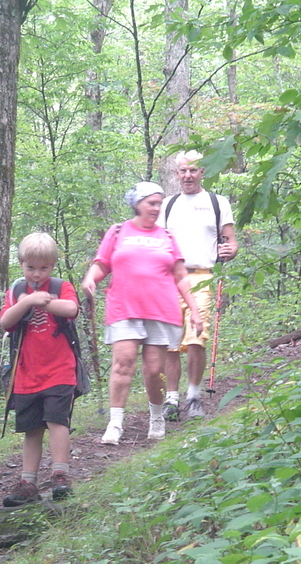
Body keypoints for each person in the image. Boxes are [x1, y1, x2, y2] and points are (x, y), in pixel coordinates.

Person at [81, 182, 202, 445]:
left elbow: (180, 276)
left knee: (154, 369)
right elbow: (102, 264)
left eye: (159, 203)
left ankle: (156, 417)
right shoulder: (117, 232)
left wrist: (194, 310)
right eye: (152, 203)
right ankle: (115, 423)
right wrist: (91, 279)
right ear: (137, 204)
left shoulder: (167, 237)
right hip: (124, 307)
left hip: (161, 309)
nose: (157, 208)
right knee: (123, 364)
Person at [0, 232, 79, 506]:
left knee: (58, 421)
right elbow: (6, 322)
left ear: (52, 266)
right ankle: (27, 482)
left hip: (60, 370)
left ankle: (60, 475)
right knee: (32, 429)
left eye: (43, 267)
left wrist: (45, 300)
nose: (36, 273)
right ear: (21, 264)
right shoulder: (17, 292)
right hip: (26, 374)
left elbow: (71, 309)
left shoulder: (61, 285)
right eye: (30, 267)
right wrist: (28, 301)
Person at [157, 150, 239, 421]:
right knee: (169, 341)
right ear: (177, 173)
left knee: (196, 337)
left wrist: (230, 250)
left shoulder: (217, 202)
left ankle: (193, 396)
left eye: (193, 170)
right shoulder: (167, 205)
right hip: (169, 278)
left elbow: (231, 241)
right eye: (183, 171)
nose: (188, 175)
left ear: (203, 172)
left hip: (203, 275)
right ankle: (171, 400)